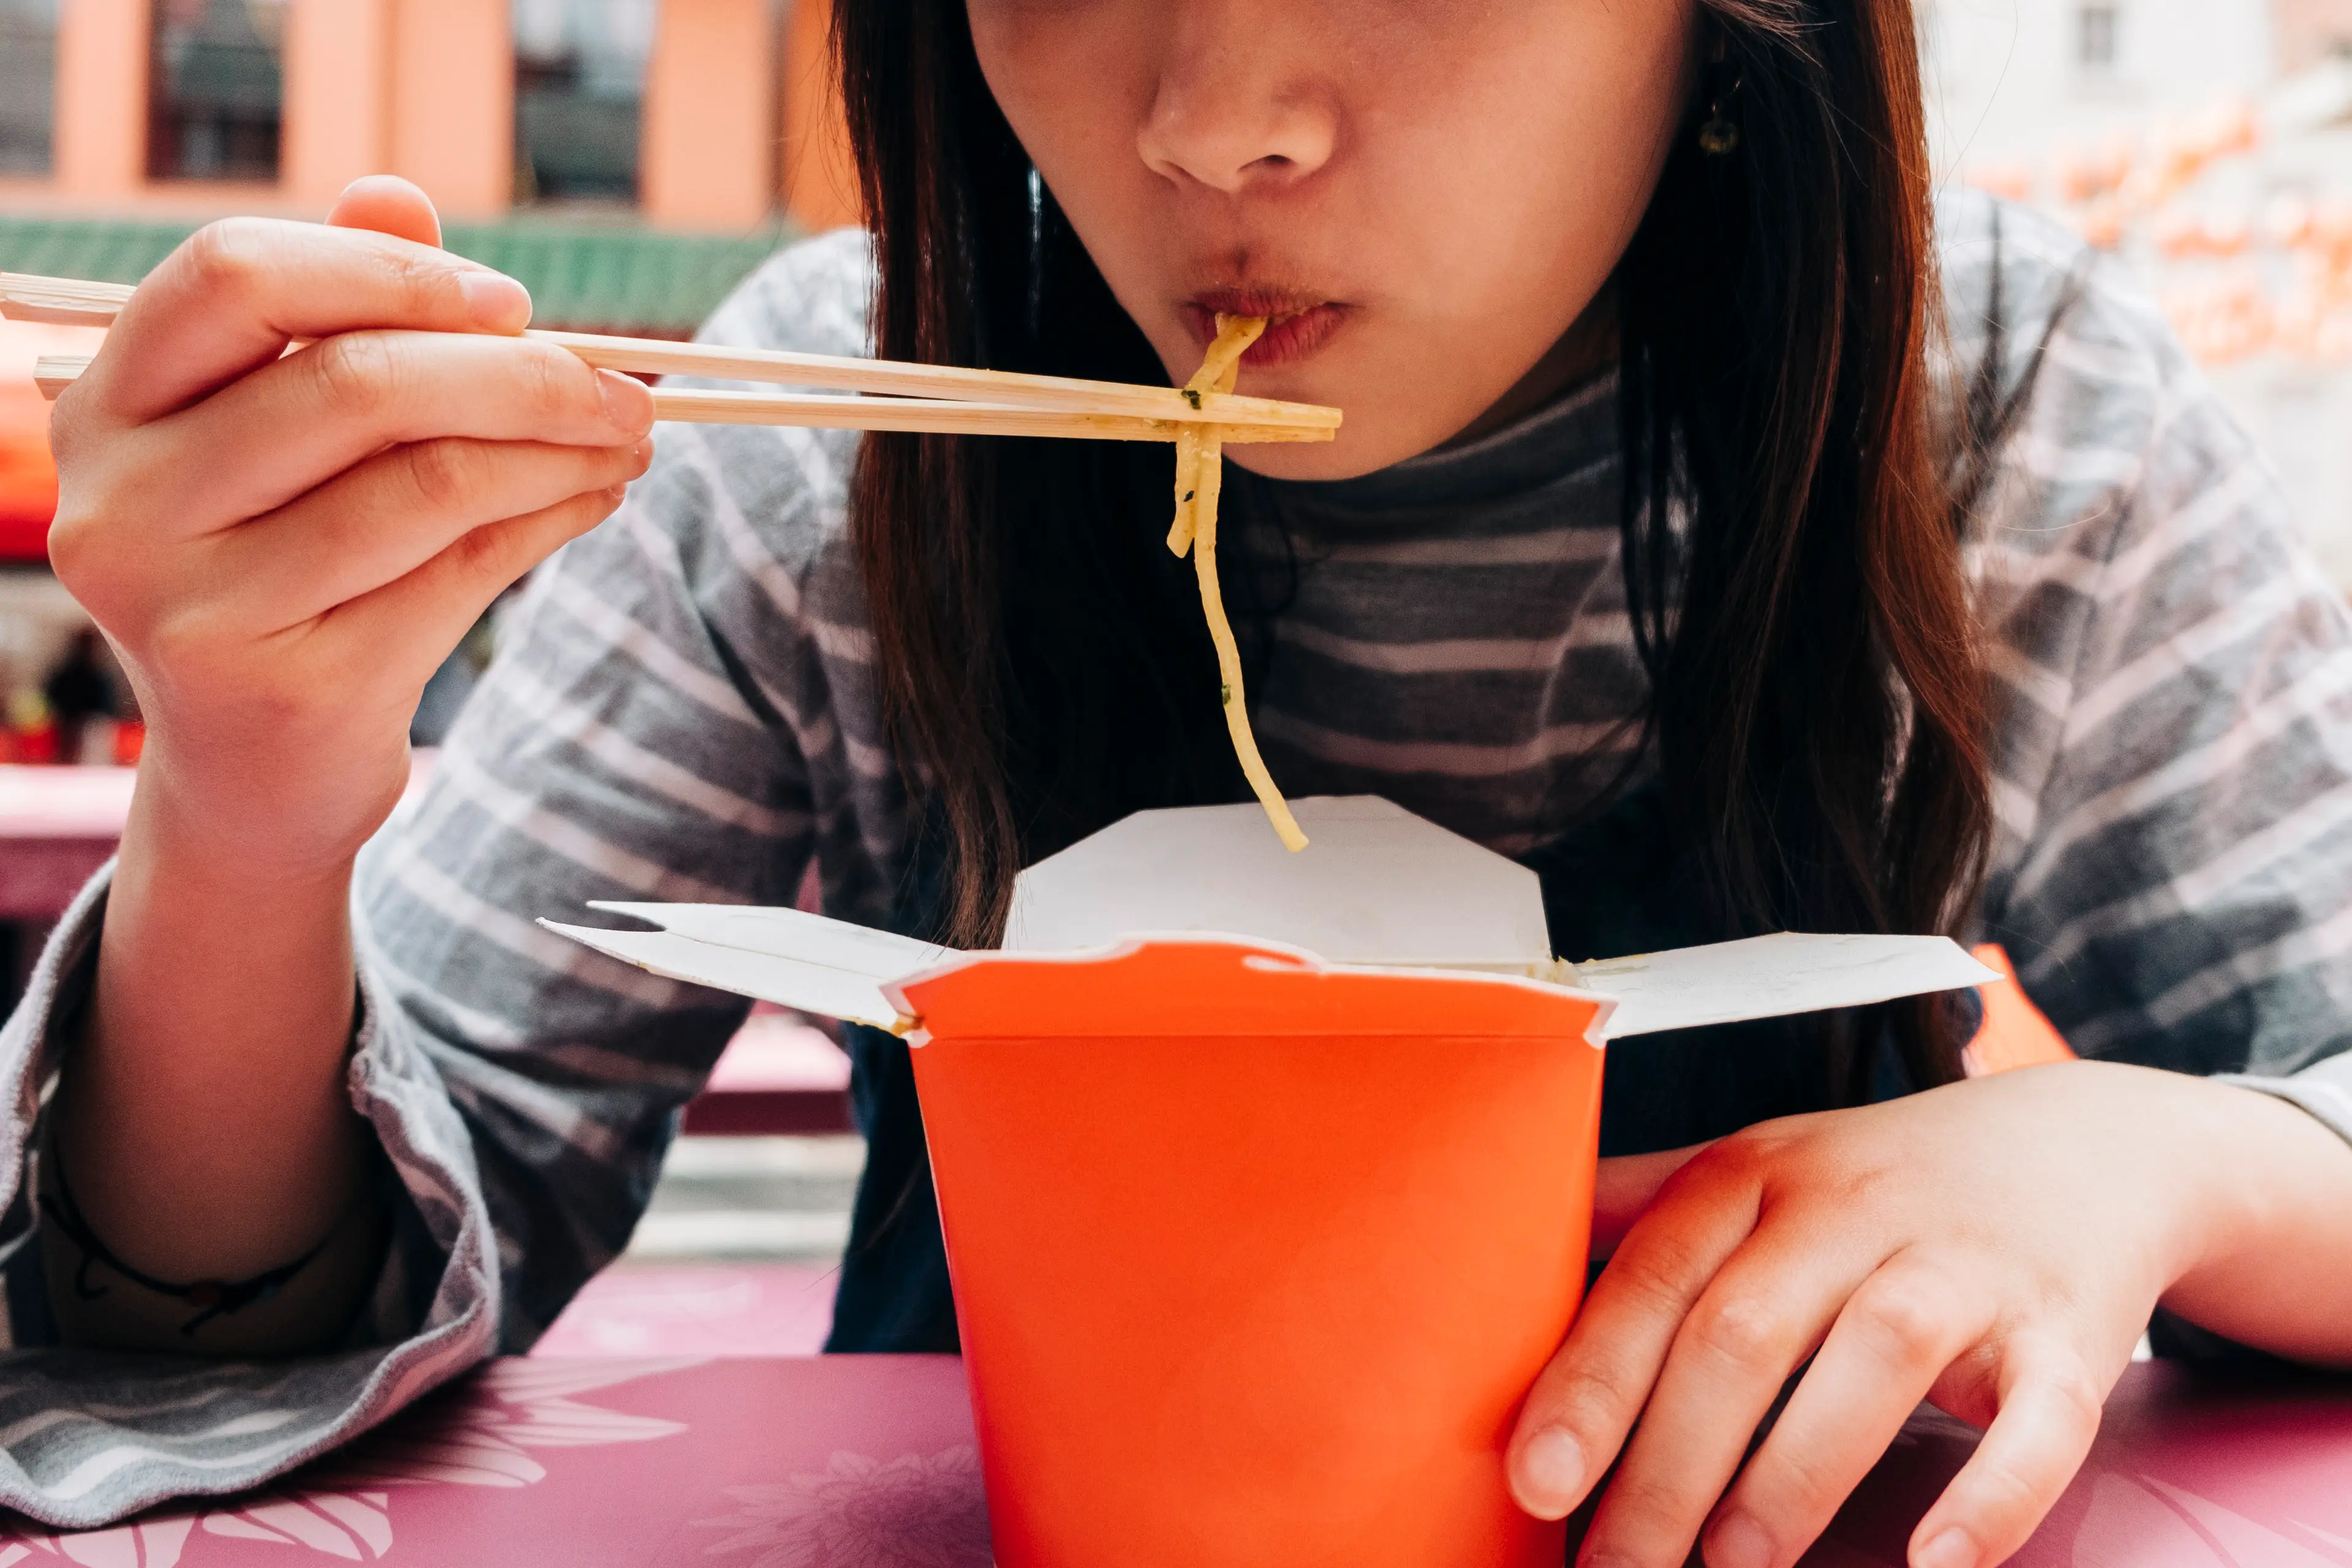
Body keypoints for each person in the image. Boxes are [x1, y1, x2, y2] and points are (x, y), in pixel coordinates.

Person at [8, 0, 2352, 1560]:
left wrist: (2153, 1153)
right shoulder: (827, 445)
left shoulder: (1993, 424)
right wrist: (253, 785)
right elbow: (260, 1301)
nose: (1218, 118)